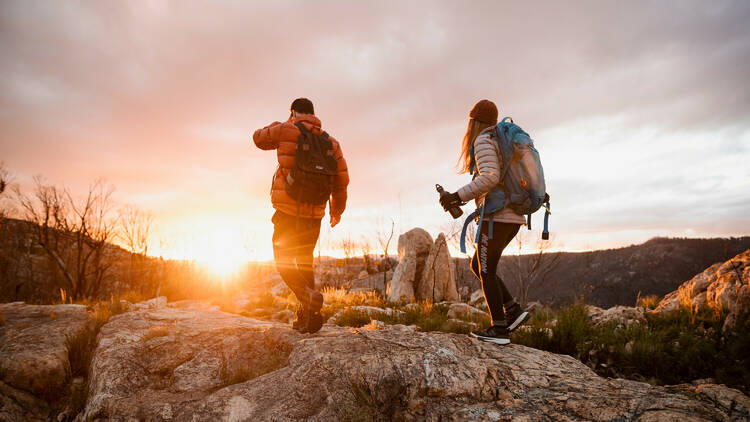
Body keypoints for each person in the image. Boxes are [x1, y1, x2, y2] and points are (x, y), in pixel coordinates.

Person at [253, 98, 349, 334]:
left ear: (293, 113)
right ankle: (309, 316)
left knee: (283, 261)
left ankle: (308, 299)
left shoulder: (286, 129)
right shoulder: (332, 142)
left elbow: (258, 138)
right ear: (314, 114)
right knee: (305, 261)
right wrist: (336, 211)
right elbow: (341, 181)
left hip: (287, 211)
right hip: (314, 214)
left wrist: (286, 122)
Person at [439, 99, 530, 345]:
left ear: (474, 122)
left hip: (499, 217)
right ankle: (512, 310)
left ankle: (499, 329)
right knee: (478, 266)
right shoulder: (499, 141)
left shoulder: (484, 141)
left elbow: (490, 177)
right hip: (510, 216)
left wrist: (456, 197)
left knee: (485, 270)